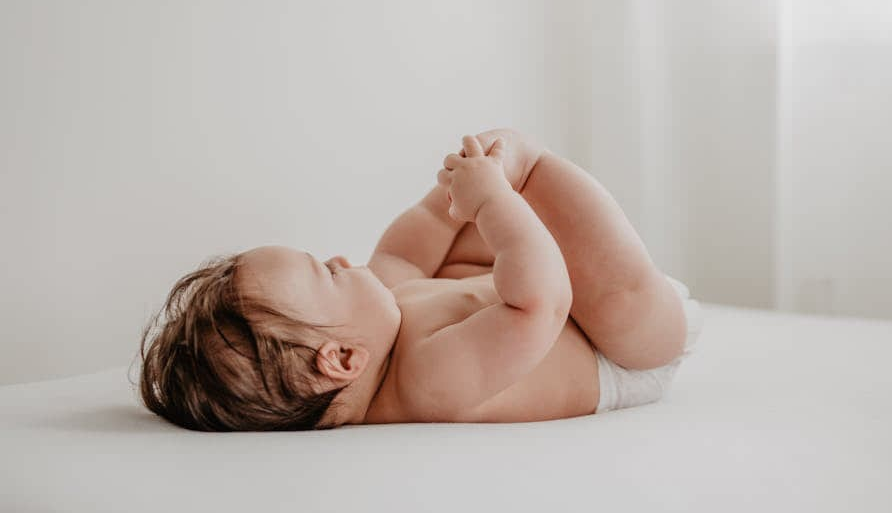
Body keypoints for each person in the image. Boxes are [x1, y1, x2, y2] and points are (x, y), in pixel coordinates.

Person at [137, 128, 703, 431]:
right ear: (339, 360)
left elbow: (422, 233)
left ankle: (512, 173)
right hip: (624, 354)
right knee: (614, 303)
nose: (340, 258)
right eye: (327, 273)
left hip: (556, 310)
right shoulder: (428, 380)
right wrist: (504, 194)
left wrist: (463, 185)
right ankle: (539, 162)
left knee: (459, 243)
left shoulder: (380, 314)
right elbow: (542, 304)